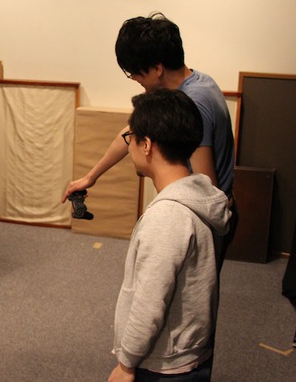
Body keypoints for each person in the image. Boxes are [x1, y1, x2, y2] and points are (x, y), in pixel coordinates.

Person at [63, 12, 235, 269]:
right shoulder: (196, 83)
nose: (134, 79)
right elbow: (131, 130)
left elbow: (206, 189)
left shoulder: (194, 103)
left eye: (136, 73)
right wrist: (91, 177)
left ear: (157, 68)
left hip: (203, 222)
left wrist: (165, 219)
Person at [108, 89, 231, 382]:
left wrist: (126, 364)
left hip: (164, 365)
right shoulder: (200, 194)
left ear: (146, 145)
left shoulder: (167, 217)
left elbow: (149, 302)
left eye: (130, 138)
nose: (129, 146)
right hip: (191, 351)